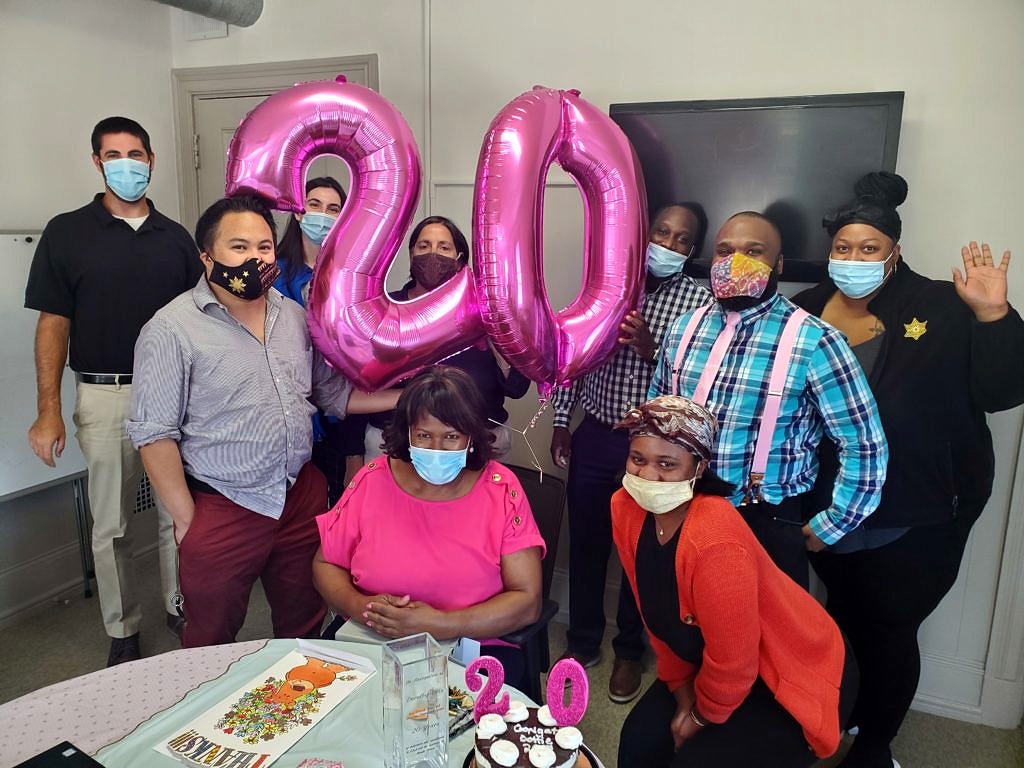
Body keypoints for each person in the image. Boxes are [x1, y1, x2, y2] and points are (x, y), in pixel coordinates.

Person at [791, 171, 1024, 768]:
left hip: (919, 511)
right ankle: (842, 717)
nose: (853, 259)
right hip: (827, 507)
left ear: (893, 251)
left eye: (868, 248)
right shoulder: (804, 309)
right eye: (843, 248)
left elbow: (1003, 392)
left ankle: (873, 746)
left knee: (891, 626)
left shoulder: (941, 306)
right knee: (842, 616)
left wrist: (995, 316)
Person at [125, 195, 399, 648]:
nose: (255, 258)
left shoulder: (294, 317)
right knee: (210, 634)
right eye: (239, 247)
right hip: (223, 502)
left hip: (298, 493)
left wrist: (408, 397)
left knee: (304, 619)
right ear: (206, 256)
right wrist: (186, 517)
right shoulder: (171, 329)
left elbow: (331, 394)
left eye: (265, 247)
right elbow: (154, 433)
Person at [24, 116, 201, 665]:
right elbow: (53, 325)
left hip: (176, 397)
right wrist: (47, 411)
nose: (128, 164)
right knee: (111, 523)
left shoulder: (176, 239)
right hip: (105, 395)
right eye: (114, 154)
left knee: (178, 512)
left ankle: (179, 605)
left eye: (137, 154)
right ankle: (122, 627)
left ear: (151, 160)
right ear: (98, 162)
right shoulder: (66, 233)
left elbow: (200, 321)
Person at [613, 395, 858, 768]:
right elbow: (653, 613)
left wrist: (697, 718)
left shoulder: (715, 539)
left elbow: (735, 665)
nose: (647, 475)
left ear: (698, 468)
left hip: (784, 670)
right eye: (638, 459)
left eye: (667, 464)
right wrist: (682, 695)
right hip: (708, 661)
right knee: (639, 743)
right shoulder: (625, 507)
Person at [649, 211, 888, 588]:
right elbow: (658, 416)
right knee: (683, 626)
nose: (735, 262)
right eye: (724, 251)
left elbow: (864, 443)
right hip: (681, 506)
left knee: (760, 639)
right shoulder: (683, 328)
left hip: (766, 520)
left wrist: (834, 523)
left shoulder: (816, 341)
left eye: (753, 251)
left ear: (777, 264)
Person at [550, 203, 711, 703]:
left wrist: (651, 349)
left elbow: (698, 380)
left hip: (656, 449)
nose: (669, 244)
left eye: (683, 239)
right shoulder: (606, 284)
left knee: (643, 552)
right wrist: (561, 422)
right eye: (662, 231)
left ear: (693, 250)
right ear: (643, 233)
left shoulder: (699, 301)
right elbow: (571, 356)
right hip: (595, 435)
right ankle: (582, 641)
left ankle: (628, 651)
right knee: (588, 542)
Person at [313, 366, 545, 689]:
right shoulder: (372, 479)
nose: (436, 449)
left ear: (471, 438)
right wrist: (362, 608)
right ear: (407, 435)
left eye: (451, 437)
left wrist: (442, 623)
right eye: (424, 435)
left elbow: (527, 601)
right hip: (372, 639)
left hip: (471, 650)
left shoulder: (501, 489)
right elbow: (325, 563)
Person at [363, 215, 531, 461]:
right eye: (424, 246)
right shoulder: (387, 311)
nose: (433, 254)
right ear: (411, 255)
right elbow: (358, 385)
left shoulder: (484, 312)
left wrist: (493, 333)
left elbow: (517, 388)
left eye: (444, 247)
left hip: (479, 442)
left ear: (459, 258)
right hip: (394, 443)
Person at [273, 175, 363, 504]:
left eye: (333, 209)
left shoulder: (351, 276)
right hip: (287, 412)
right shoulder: (273, 273)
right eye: (314, 205)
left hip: (340, 409)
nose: (323, 215)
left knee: (337, 505)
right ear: (298, 212)